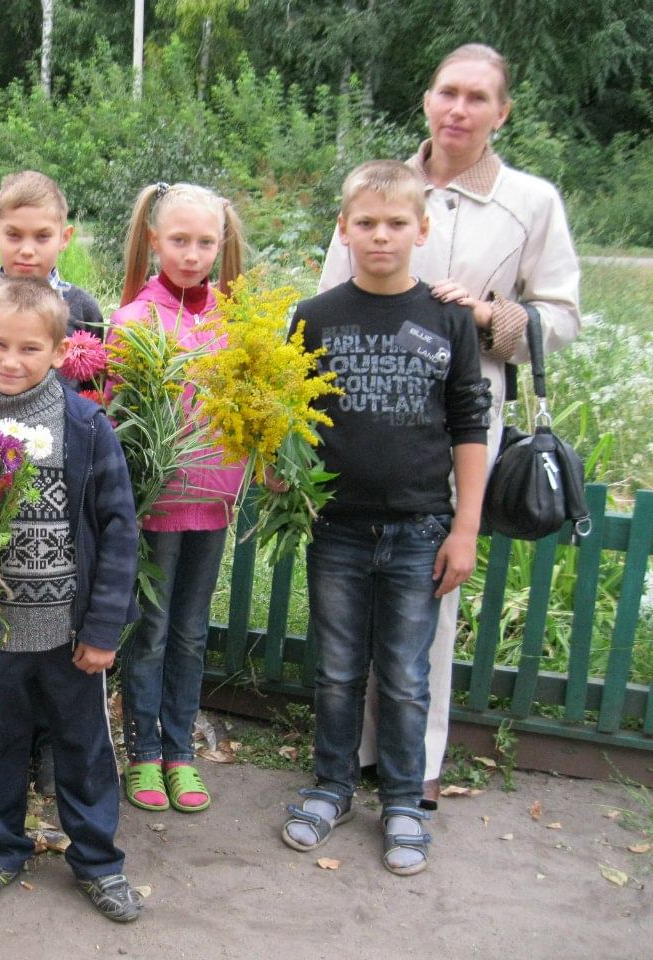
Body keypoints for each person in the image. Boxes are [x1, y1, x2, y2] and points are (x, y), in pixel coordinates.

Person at [319, 43, 582, 808]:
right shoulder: (381, 191)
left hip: (460, 413)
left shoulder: (530, 202)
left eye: (477, 97)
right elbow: (331, 297)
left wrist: (488, 315)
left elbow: (559, 320)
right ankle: (353, 757)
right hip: (366, 411)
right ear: (427, 100)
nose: (458, 110)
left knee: (429, 585)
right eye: (447, 93)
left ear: (502, 111)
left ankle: (414, 764)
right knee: (354, 598)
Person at [283, 160, 490, 875]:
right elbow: (290, 414)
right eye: (365, 223)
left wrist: (464, 528)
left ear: (421, 230)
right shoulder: (314, 317)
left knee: (403, 674)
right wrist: (285, 472)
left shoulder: (448, 316)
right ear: (343, 229)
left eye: (396, 223)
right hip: (337, 527)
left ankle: (402, 799)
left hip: (420, 528)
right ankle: (332, 785)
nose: (380, 235)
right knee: (338, 670)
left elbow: (469, 422)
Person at [0, 278, 143, 922]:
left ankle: (98, 860)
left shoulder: (84, 426)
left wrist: (103, 628)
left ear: (58, 352)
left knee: (83, 749)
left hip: (68, 635)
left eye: (30, 348)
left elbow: (119, 530)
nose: (11, 360)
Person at [110, 182, 249, 815]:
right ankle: (143, 751)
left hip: (214, 500)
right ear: (155, 240)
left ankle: (180, 753)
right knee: (153, 629)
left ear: (222, 245)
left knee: (192, 632)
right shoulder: (134, 318)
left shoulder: (236, 318)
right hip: (159, 501)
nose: (192, 254)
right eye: (179, 241)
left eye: (205, 242)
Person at [0, 170, 104, 337]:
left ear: (64, 238)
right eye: (14, 235)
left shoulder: (85, 312)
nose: (27, 251)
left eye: (42, 237)